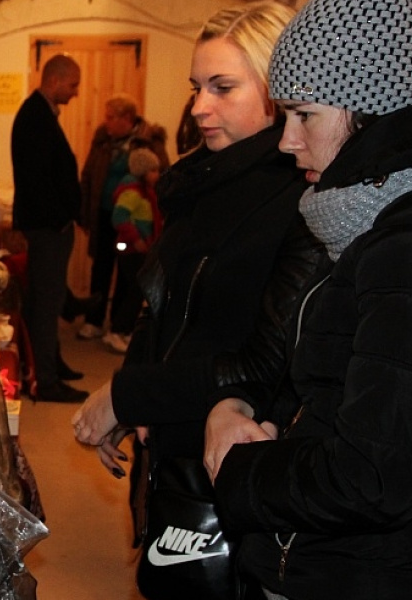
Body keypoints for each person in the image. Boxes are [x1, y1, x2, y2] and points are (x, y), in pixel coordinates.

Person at [70, 0, 326, 580]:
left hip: (236, 463)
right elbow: (165, 305)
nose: (199, 107)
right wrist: (138, 394)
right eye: (196, 87)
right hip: (174, 444)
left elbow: (266, 363)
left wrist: (128, 394)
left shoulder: (301, 198)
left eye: (222, 87)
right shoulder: (203, 182)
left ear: (279, 89)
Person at [204, 0, 412, 597]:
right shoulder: (368, 222)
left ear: (373, 114)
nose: (287, 141)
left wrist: (240, 471)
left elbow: (375, 474)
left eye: (304, 115)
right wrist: (246, 415)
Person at [10, 53, 87, 403]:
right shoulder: (34, 117)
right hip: (47, 227)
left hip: (49, 224)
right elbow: (39, 180)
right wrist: (60, 219)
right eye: (72, 85)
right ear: (54, 80)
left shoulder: (40, 114)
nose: (76, 92)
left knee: (49, 300)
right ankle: (46, 379)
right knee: (46, 304)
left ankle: (51, 363)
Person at [77, 95, 169, 342]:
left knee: (127, 271)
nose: (105, 122)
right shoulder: (102, 140)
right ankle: (93, 320)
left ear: (126, 119)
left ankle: (118, 326)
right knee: (101, 266)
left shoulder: (150, 141)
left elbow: (163, 175)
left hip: (133, 221)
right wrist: (84, 213)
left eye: (110, 117)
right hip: (105, 215)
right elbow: (88, 176)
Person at [103, 148, 162, 354]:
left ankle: (124, 329)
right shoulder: (132, 192)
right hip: (132, 249)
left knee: (132, 289)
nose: (157, 174)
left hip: (142, 248)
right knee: (137, 290)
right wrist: (136, 239)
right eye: (153, 170)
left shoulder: (147, 192)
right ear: (142, 171)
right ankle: (118, 329)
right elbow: (119, 218)